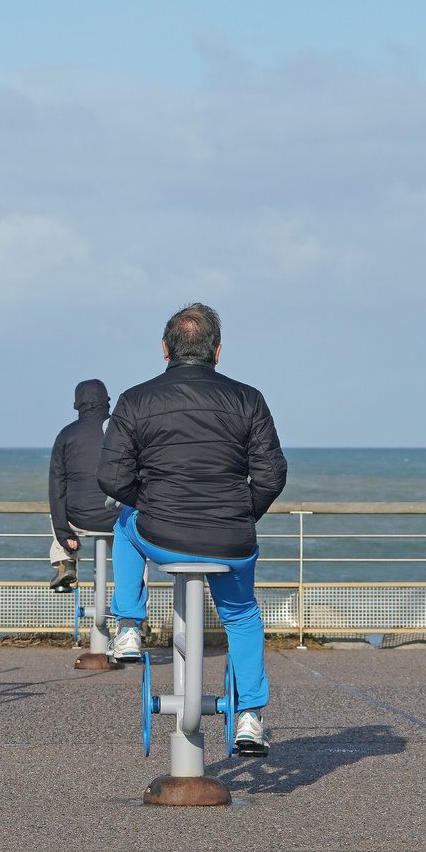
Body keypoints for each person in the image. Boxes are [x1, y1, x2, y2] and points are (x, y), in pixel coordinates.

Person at [97, 303, 286, 757]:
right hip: (230, 538)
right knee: (241, 615)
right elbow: (271, 475)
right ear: (217, 351)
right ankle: (249, 717)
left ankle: (128, 627)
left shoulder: (136, 400)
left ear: (165, 349)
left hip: (160, 534)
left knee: (123, 523)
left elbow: (111, 477)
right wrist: (242, 512)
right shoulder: (249, 399)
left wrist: (154, 504)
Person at [47, 379, 116, 592]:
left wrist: (64, 534)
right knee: (133, 554)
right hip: (116, 518)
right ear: (107, 402)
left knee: (57, 515)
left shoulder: (66, 435)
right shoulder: (123, 430)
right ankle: (138, 616)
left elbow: (56, 487)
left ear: (77, 404)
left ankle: (66, 561)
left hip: (80, 518)